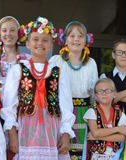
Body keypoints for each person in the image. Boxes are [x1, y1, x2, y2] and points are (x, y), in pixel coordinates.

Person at [1, 16, 75, 160]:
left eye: (45, 40)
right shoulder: (18, 69)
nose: (40, 43)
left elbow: (66, 105)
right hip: (25, 130)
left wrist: (66, 133)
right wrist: (12, 134)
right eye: (35, 39)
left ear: (51, 45)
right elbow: (9, 105)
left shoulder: (58, 71)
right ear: (27, 43)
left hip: (52, 131)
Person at [49, 20, 98, 159]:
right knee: (61, 150)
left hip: (83, 112)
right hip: (61, 112)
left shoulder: (91, 63)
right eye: (72, 36)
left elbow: (94, 93)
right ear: (64, 40)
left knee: (80, 152)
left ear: (86, 40)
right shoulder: (56, 61)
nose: (76, 39)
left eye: (80, 36)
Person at [84, 78, 126, 160]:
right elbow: (96, 133)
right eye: (100, 91)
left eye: (107, 91)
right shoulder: (92, 112)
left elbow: (121, 137)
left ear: (114, 94)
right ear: (96, 96)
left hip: (116, 156)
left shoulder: (121, 114)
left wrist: (98, 137)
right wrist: (117, 129)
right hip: (96, 156)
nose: (104, 93)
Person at [0, 16, 30, 84]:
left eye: (12, 30)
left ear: (18, 34)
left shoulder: (27, 59)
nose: (8, 34)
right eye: (4, 30)